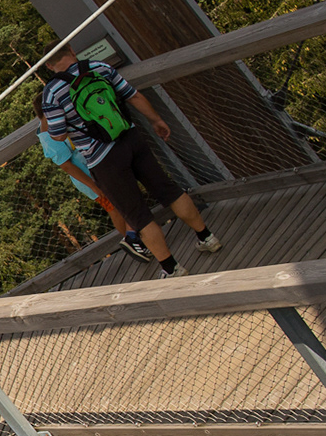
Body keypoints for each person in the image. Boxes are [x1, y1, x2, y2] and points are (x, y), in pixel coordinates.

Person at [39, 43, 223, 278]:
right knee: (169, 191)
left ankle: (172, 269)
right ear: (72, 51)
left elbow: (59, 135)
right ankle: (207, 237)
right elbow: (132, 95)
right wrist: (156, 120)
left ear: (48, 65)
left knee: (137, 215)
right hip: (131, 138)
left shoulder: (52, 92)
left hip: (103, 159)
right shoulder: (99, 67)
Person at [35, 89, 153, 263]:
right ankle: (133, 239)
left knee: (125, 200)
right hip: (89, 178)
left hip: (99, 169)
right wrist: (93, 185)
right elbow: (67, 166)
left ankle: (135, 237)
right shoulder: (48, 137)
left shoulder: (56, 126)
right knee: (114, 207)